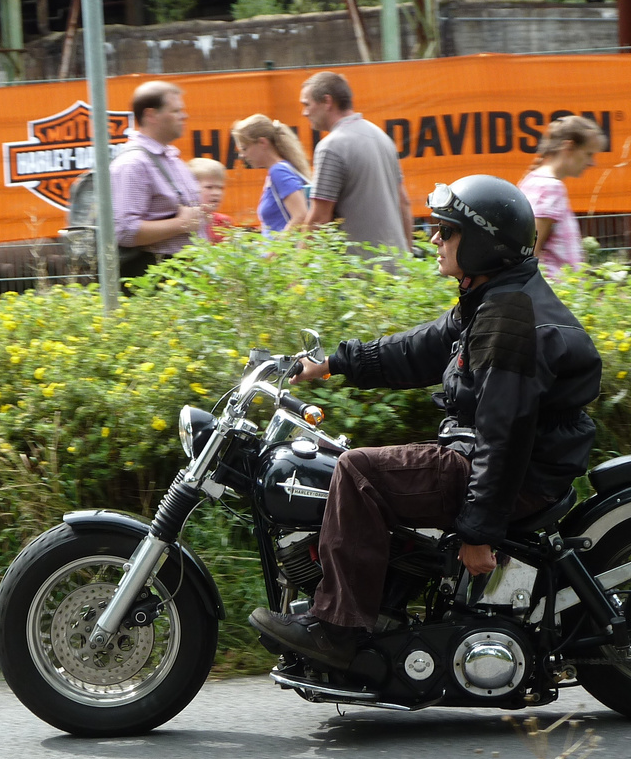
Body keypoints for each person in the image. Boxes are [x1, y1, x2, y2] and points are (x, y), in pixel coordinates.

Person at [248, 176, 603, 669]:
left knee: (357, 471)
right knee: (360, 464)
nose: (434, 239)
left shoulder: (511, 324)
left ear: (482, 242)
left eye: (447, 230)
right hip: (489, 456)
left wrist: (481, 532)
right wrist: (330, 363)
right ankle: (386, 605)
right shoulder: (493, 298)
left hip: (510, 471)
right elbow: (419, 348)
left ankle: (338, 629)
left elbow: (505, 435)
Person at [298, 70, 414, 254]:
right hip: (397, 271)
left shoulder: (331, 146)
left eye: (307, 104)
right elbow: (404, 202)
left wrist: (296, 272)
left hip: (360, 275)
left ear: (327, 102)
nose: (304, 113)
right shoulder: (381, 137)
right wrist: (407, 257)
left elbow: (319, 218)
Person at [110, 80, 214, 281]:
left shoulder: (171, 158)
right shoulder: (133, 164)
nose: (184, 115)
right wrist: (181, 223)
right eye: (175, 111)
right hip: (156, 279)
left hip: (183, 275)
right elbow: (123, 231)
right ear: (151, 115)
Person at [517, 115, 607, 277]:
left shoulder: (535, 180)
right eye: (588, 154)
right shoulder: (550, 187)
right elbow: (529, 254)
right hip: (550, 295)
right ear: (569, 147)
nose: (592, 163)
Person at [231, 113, 311, 236]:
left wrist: (274, 252)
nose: (242, 155)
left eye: (245, 148)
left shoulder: (278, 171)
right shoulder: (280, 170)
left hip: (283, 254)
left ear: (262, 143)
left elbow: (300, 216)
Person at [186, 157, 237, 243]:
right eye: (209, 187)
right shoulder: (182, 222)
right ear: (190, 188)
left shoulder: (223, 222)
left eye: (220, 188)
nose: (217, 193)